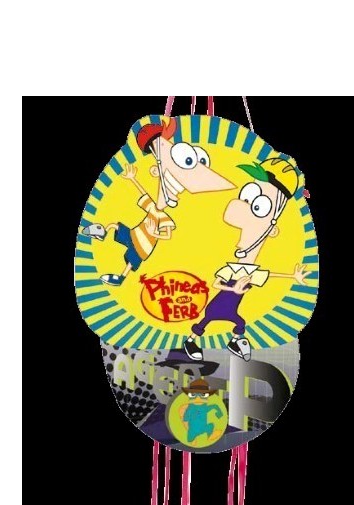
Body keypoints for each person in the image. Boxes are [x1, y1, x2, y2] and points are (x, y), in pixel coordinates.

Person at [184, 157, 312, 360]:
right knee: (206, 321)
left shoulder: (250, 270)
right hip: (217, 306)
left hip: (231, 309)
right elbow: (216, 283)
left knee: (240, 323)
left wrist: (292, 276)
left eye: (257, 205)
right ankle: (190, 342)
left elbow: (268, 275)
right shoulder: (233, 269)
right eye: (246, 198)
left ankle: (233, 343)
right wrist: (233, 289)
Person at [81, 120, 233, 286]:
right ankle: (103, 233)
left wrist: (155, 233)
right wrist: (133, 179)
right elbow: (144, 194)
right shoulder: (154, 208)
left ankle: (120, 278)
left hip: (143, 246)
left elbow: (167, 235)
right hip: (134, 234)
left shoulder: (163, 217)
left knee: (131, 261)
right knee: (115, 226)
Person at [178, 377, 225, 444]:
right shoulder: (191, 407)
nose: (198, 398)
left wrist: (219, 413)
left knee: (211, 425)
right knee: (190, 439)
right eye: (193, 395)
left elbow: (213, 406)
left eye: (203, 395)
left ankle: (209, 435)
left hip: (203, 427)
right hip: (193, 429)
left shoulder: (204, 407)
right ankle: (192, 440)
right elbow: (186, 418)